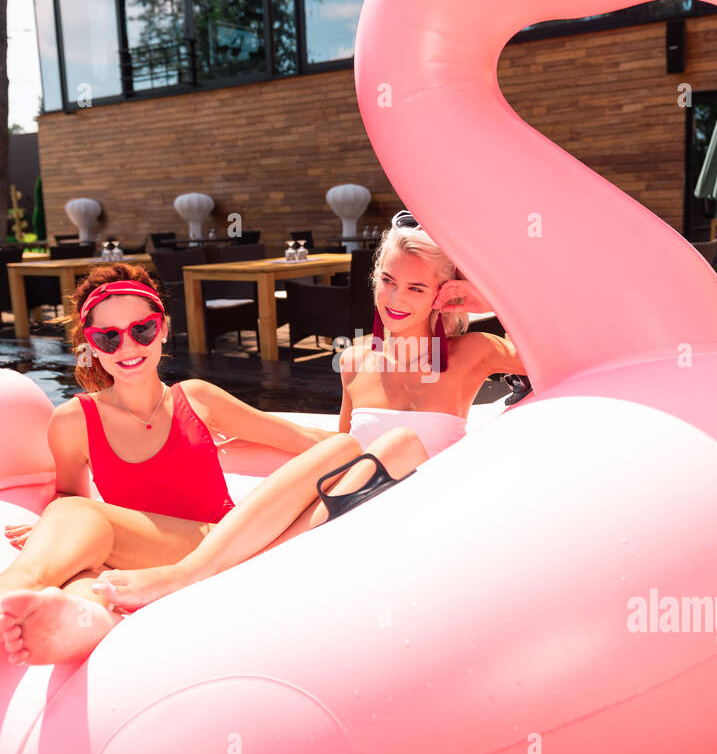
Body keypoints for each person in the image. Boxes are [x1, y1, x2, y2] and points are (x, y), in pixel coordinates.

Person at [0, 262, 345, 680]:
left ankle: (25, 613)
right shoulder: (73, 421)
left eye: (141, 330)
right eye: (109, 337)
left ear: (163, 329)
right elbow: (69, 497)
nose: (127, 347)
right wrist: (54, 529)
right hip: (137, 554)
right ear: (91, 345)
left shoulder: (198, 399)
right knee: (74, 557)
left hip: (216, 542)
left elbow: (309, 443)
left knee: (82, 521)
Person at [86, 210, 525, 617]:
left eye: (416, 288)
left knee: (400, 444)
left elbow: (560, 350)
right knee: (341, 446)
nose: (396, 298)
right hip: (346, 527)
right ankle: (196, 572)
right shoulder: (354, 361)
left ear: (441, 296)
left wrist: (481, 298)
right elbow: (336, 467)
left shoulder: (474, 353)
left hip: (423, 522)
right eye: (388, 281)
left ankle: (202, 572)